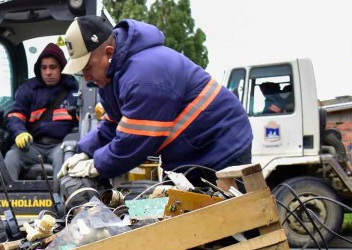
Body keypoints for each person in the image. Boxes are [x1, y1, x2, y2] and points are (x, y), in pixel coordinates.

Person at [57, 16, 253, 185]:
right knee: (181, 218)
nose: (87, 77)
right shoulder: (112, 77)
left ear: (109, 53)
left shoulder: (143, 76)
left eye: (88, 67)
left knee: (231, 218)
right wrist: (85, 151)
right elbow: (114, 123)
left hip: (222, 144)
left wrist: (97, 165)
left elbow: (135, 140)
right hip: (190, 150)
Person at [4, 43, 78, 189]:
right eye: (44, 68)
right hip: (33, 145)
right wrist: (20, 133)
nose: (48, 72)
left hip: (60, 145)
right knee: (11, 157)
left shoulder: (74, 91)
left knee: (65, 160)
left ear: (62, 68)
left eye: (53, 67)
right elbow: (14, 116)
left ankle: (60, 205)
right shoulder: (28, 89)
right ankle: (7, 204)